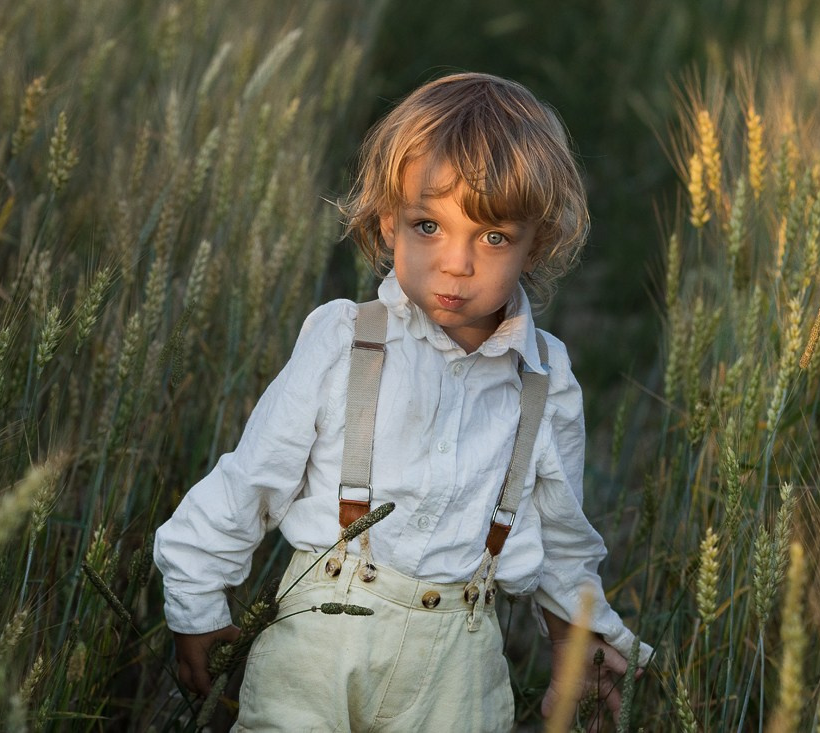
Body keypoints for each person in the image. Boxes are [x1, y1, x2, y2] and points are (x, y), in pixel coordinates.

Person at [154, 71, 652, 732]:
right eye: (429, 225)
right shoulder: (346, 340)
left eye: (493, 237)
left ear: (538, 242)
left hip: (456, 669)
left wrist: (577, 641)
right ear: (390, 220)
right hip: (318, 646)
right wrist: (195, 602)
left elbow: (560, 534)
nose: (457, 263)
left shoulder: (545, 378)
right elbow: (252, 481)